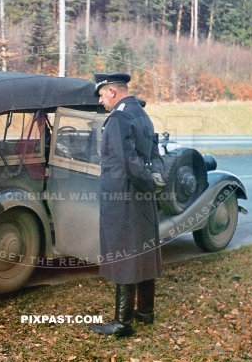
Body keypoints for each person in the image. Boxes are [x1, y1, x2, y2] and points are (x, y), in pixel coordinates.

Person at [89, 72, 165, 337]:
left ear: (111, 91)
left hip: (124, 197)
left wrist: (145, 181)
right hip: (141, 197)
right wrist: (155, 179)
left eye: (101, 95)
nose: (100, 101)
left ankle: (123, 324)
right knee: (142, 250)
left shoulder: (119, 117)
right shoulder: (142, 114)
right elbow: (154, 155)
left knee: (125, 255)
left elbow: (127, 162)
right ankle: (145, 311)